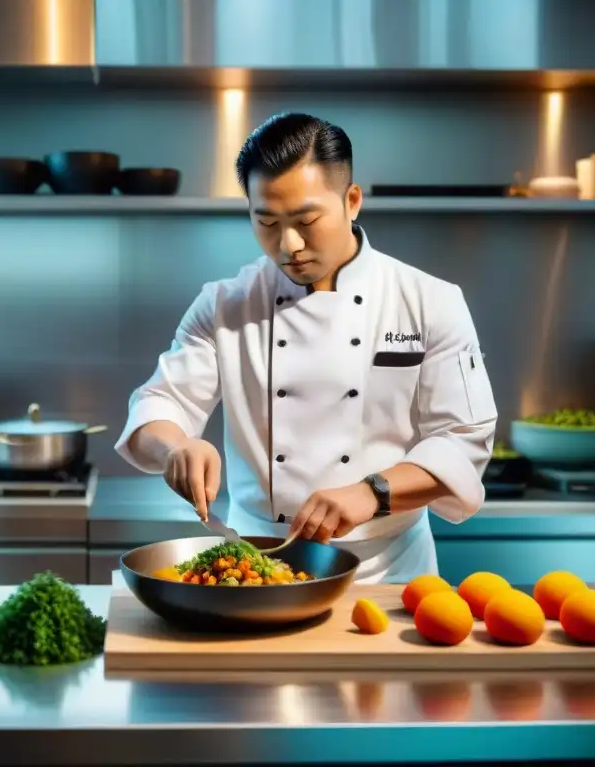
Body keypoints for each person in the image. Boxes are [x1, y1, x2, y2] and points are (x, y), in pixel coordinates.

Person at [114, 112, 497, 583]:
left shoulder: (429, 301)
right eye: (267, 222)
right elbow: (159, 403)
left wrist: (373, 492)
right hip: (257, 566)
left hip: (391, 573)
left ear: (352, 201)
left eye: (306, 219)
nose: (288, 244)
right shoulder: (224, 304)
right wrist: (176, 446)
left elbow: (464, 440)